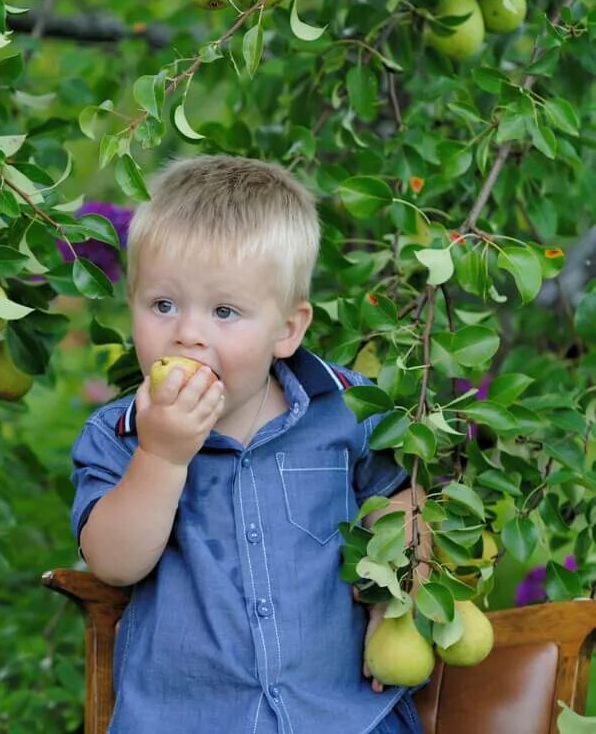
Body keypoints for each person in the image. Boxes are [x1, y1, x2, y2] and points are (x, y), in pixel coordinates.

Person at [69, 155, 427, 733]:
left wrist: (398, 593)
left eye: (224, 311)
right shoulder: (123, 435)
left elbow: (406, 499)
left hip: (341, 716)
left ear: (286, 330)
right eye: (163, 305)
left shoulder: (348, 408)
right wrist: (162, 456)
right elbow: (113, 562)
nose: (187, 332)